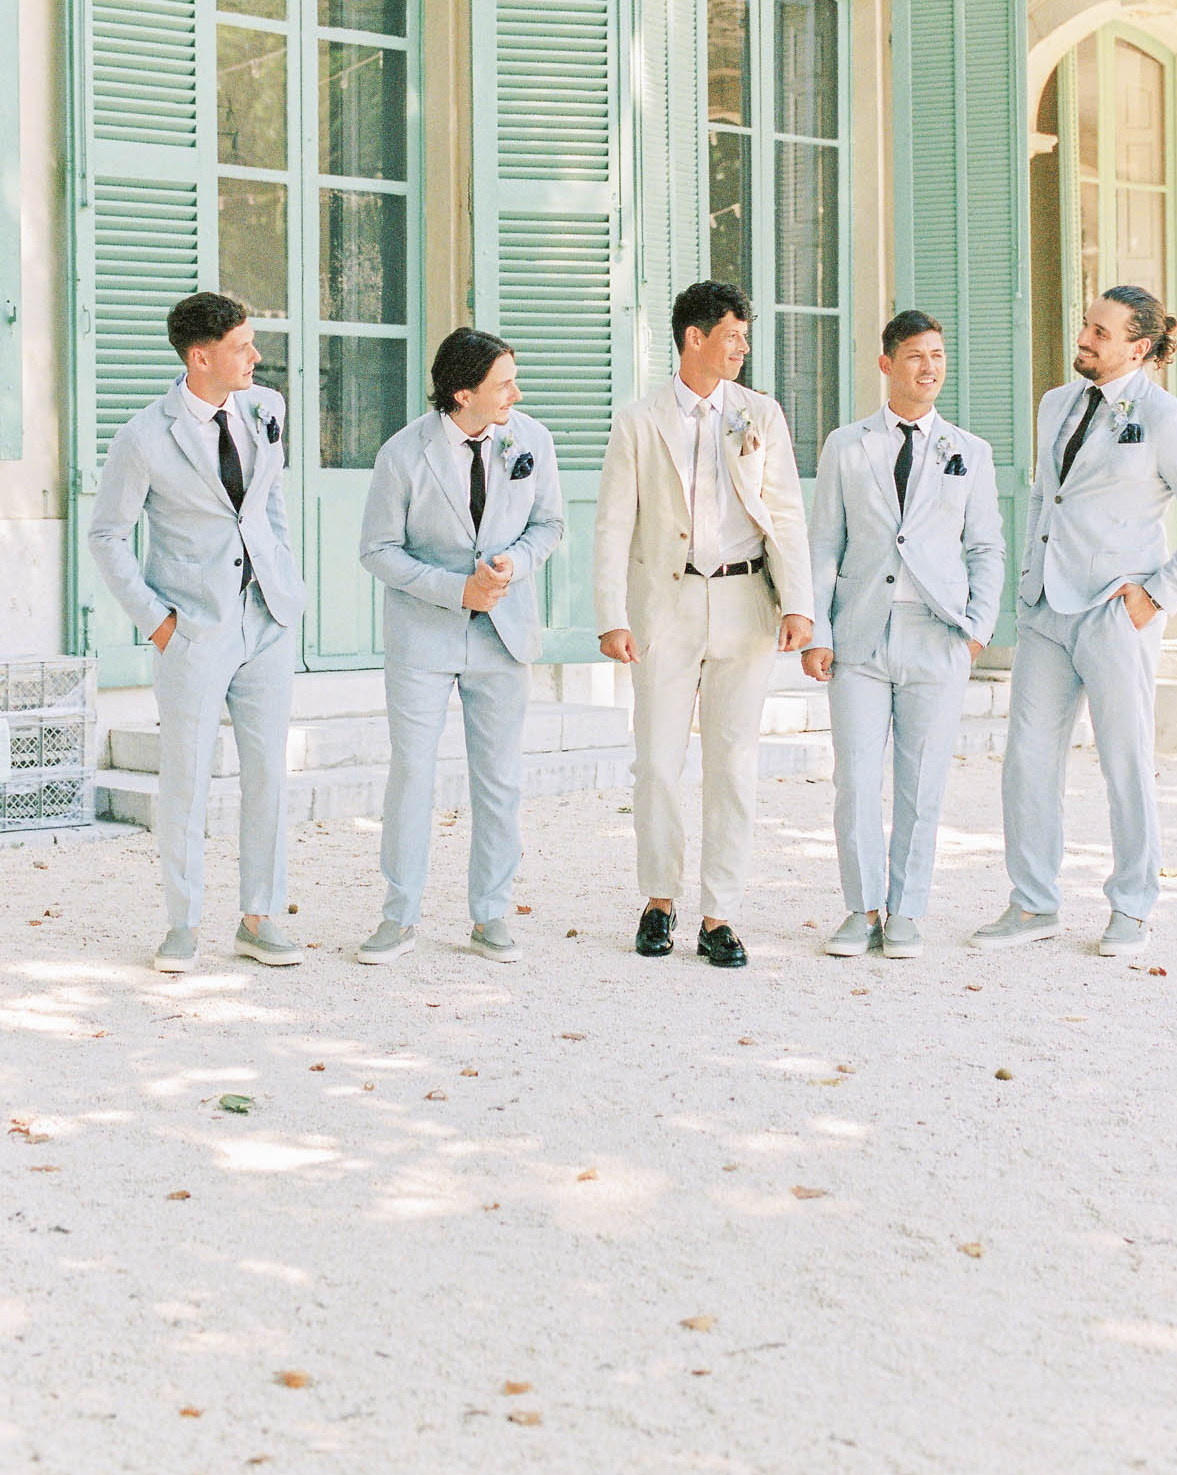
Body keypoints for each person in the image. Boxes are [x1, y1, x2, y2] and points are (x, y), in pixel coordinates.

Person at [973, 287, 1177, 957]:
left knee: (1124, 763)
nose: (1084, 337)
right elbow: (1046, 500)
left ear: (1138, 347)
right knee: (1028, 763)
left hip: (1116, 614)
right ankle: (1033, 905)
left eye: (1099, 330)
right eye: (1085, 324)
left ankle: (1133, 908)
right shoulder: (1056, 403)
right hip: (1045, 614)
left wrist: (1159, 594)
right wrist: (1025, 590)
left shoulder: (1166, 419)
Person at [593, 281, 813, 967]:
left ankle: (721, 914)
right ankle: (658, 901)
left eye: (745, 337)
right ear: (695, 338)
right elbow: (612, 527)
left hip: (747, 601)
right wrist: (611, 616)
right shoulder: (639, 421)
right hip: (668, 605)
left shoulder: (761, 415)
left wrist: (799, 602)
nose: (743, 349)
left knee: (733, 764)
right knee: (657, 761)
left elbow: (785, 511)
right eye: (733, 336)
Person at [88, 292, 306, 973]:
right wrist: (158, 624)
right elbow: (106, 535)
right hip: (193, 630)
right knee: (186, 779)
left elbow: (269, 501)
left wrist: (284, 581)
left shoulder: (267, 409)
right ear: (201, 355)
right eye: (244, 345)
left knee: (269, 772)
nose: (256, 356)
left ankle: (259, 917)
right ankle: (182, 924)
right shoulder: (144, 436)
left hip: (267, 619)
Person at [357, 328, 563, 965]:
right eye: (503, 383)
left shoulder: (531, 439)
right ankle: (399, 915)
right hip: (424, 637)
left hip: (504, 636)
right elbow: (377, 551)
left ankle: (492, 914)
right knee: (413, 775)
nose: (515, 394)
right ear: (461, 392)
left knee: (499, 780)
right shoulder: (402, 454)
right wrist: (456, 590)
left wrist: (512, 564)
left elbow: (549, 524)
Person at [802, 311, 1004, 957]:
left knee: (923, 783)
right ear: (886, 364)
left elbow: (987, 548)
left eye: (939, 356)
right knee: (856, 778)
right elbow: (823, 545)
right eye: (916, 356)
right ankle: (861, 909)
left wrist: (976, 629)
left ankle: (909, 909)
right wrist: (817, 632)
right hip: (860, 636)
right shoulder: (846, 445)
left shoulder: (970, 453)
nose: (930, 368)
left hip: (937, 635)